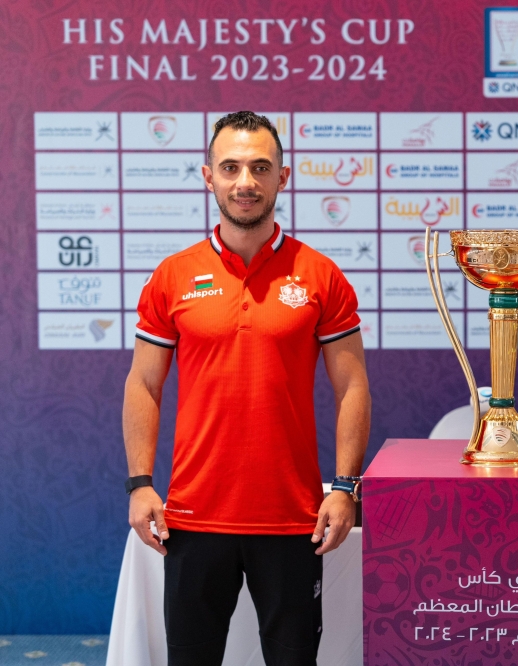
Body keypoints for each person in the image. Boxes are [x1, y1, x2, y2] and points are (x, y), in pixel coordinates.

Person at [122, 111, 371, 666]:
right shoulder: (173, 275)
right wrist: (140, 483)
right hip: (192, 519)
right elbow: (143, 384)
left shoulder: (321, 275)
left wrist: (345, 486)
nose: (245, 182)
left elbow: (353, 385)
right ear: (207, 176)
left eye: (261, 167)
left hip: (293, 520)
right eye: (230, 167)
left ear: (284, 176)